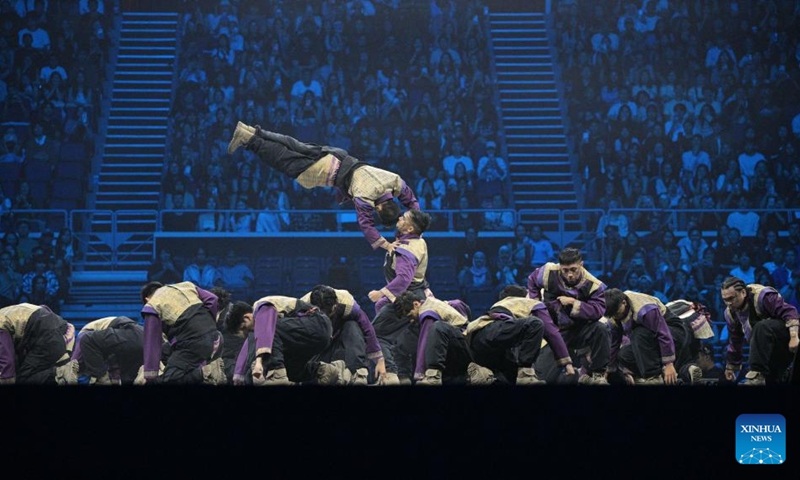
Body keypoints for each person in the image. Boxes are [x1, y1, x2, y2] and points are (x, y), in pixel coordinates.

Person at [228, 122, 419, 252]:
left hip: (338, 155)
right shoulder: (365, 198)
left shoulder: (394, 181)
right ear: (379, 209)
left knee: (292, 144)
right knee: (282, 159)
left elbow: (410, 199)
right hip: (327, 170)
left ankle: (251, 131)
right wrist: (387, 245)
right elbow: (366, 225)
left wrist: (416, 223)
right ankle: (249, 139)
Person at [526, 247, 610, 385]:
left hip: (578, 330)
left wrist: (575, 303)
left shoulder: (594, 285)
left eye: (573, 269)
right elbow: (532, 280)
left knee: (600, 328)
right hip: (552, 331)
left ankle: (599, 375)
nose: (569, 274)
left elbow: (598, 310)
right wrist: (535, 304)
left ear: (581, 265)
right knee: (543, 378)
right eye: (565, 270)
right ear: (560, 267)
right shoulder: (548, 272)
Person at [466, 285, 575, 385]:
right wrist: (566, 362)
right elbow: (551, 332)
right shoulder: (530, 303)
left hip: (477, 343)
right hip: (494, 332)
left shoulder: (498, 305)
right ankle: (526, 374)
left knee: (511, 374)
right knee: (535, 323)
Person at [226, 294, 337, 386]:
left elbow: (266, 331)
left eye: (244, 329)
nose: (247, 333)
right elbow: (249, 343)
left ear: (247, 318)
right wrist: (238, 373)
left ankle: (277, 376)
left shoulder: (261, 306)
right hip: (314, 335)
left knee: (269, 329)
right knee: (291, 370)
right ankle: (323, 370)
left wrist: (259, 362)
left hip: (317, 324)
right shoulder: (258, 323)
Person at [604, 288, 701, 385]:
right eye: (612, 315)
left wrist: (668, 364)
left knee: (638, 333)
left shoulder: (644, 308)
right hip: (651, 341)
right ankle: (662, 374)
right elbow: (614, 344)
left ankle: (653, 378)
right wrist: (608, 369)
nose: (616, 317)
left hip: (673, 332)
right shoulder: (614, 315)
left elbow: (663, 333)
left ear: (624, 303)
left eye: (617, 313)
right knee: (624, 355)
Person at [393, 291, 490, 385]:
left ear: (416, 304)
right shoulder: (436, 303)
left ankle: (433, 377)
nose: (411, 321)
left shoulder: (427, 314)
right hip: (466, 339)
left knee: (437, 329)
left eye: (410, 315)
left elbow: (424, 343)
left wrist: (420, 374)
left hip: (463, 344)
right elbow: (461, 305)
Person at [138, 281, 226, 385]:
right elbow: (213, 299)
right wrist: (207, 326)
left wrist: (150, 377)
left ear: (147, 299)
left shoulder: (152, 306)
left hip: (191, 343)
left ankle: (205, 373)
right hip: (215, 338)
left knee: (169, 380)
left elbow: (152, 344)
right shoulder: (186, 286)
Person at [720, 276, 799, 385]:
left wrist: (794, 337)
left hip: (786, 338)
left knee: (761, 326)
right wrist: (731, 366)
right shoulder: (730, 313)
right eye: (725, 300)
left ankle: (757, 373)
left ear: (743, 292)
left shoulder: (762, 296)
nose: (728, 303)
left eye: (731, 298)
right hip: (769, 351)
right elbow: (735, 340)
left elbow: (790, 312)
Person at [300, 284, 386, 385]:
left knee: (352, 325)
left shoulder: (347, 302)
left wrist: (380, 360)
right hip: (318, 351)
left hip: (342, 348)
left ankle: (357, 373)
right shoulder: (302, 309)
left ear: (335, 304)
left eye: (329, 313)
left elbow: (367, 328)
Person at [368, 209, 432, 315]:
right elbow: (417, 271)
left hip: (408, 297)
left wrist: (380, 293)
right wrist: (425, 287)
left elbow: (404, 278)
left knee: (381, 306)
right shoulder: (419, 241)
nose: (399, 218)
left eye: (404, 218)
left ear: (410, 229)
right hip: (416, 292)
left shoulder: (406, 249)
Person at [0, 302, 77, 384]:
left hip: (48, 336)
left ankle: (59, 372)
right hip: (60, 330)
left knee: (22, 379)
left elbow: (7, 368)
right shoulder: (5, 314)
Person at [68, 316, 147, 385]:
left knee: (87, 341)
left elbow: (73, 366)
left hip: (131, 334)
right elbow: (114, 366)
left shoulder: (84, 337)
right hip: (141, 336)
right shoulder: (102, 347)